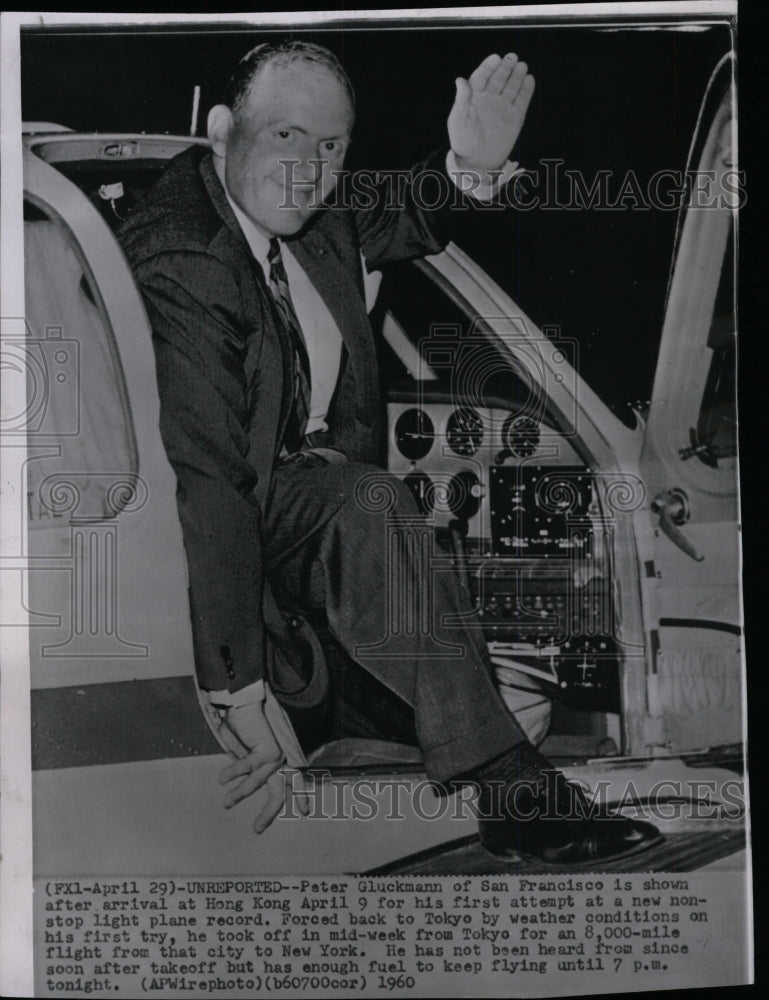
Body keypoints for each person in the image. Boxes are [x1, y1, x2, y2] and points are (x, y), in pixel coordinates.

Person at [119, 39, 661, 864]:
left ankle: (468, 753)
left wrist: (468, 161)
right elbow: (212, 483)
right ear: (224, 132)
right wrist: (235, 685)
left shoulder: (305, 206)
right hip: (211, 543)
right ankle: (512, 790)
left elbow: (402, 207)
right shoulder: (184, 257)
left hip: (310, 528)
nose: (310, 167)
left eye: (331, 145)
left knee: (485, 678)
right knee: (368, 502)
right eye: (287, 137)